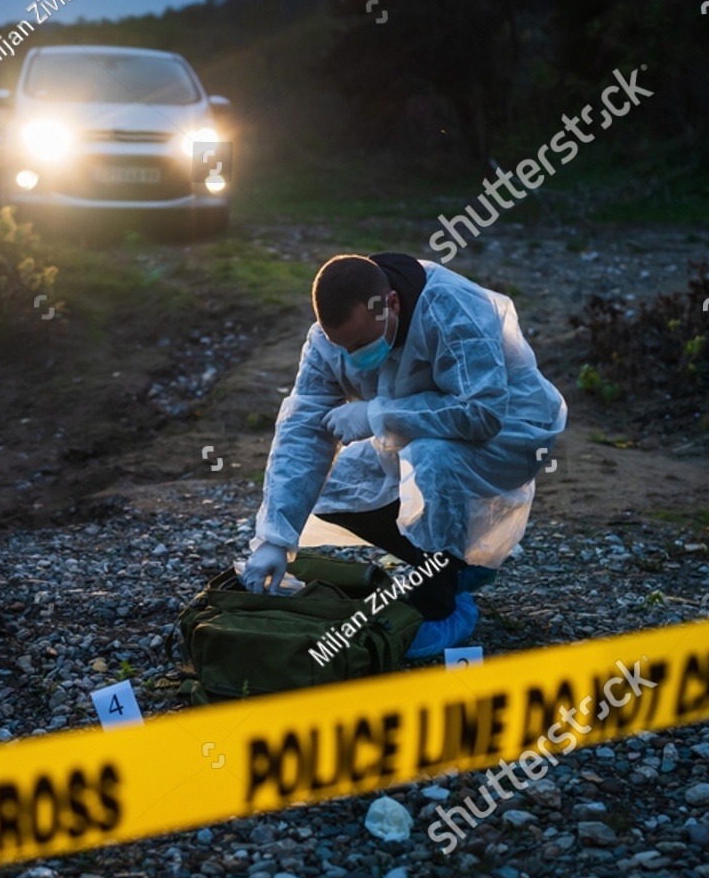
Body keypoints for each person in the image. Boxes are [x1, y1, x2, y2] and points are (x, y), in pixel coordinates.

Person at [241, 252, 566, 658]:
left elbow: (481, 413)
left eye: (359, 345)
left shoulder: (451, 307)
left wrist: (379, 413)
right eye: (341, 346)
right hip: (418, 430)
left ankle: (441, 604)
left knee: (432, 458)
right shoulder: (331, 340)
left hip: (514, 430)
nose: (350, 358)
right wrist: (275, 538)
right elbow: (302, 429)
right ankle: (454, 570)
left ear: (391, 303)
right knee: (330, 486)